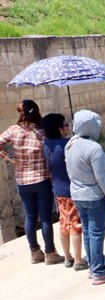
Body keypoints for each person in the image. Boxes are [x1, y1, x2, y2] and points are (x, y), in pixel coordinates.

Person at [0, 99, 62, 264]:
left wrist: (11, 159)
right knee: (46, 218)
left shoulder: (13, 131)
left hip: (22, 181)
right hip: (41, 179)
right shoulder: (41, 132)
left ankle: (35, 252)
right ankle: (50, 253)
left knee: (30, 216)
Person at [64, 110, 105, 285]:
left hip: (78, 195)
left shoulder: (70, 145)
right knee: (96, 234)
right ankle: (99, 272)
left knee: (88, 233)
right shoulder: (93, 148)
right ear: (90, 126)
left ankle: (93, 267)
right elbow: (102, 178)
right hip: (95, 196)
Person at [41, 113, 87, 271]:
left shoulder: (46, 144)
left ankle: (67, 256)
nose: (68, 127)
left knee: (64, 223)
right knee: (76, 225)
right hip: (71, 189)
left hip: (57, 190)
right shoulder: (67, 145)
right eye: (66, 125)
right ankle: (79, 259)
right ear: (59, 129)